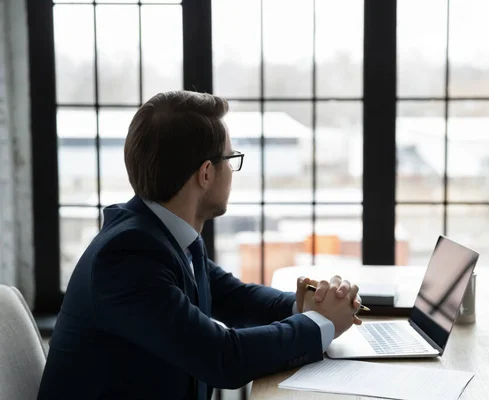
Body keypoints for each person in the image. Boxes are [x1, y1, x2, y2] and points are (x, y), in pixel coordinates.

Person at [37, 91, 363, 400]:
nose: (233, 172)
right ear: (206, 173)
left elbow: (234, 297)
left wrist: (307, 304)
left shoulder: (163, 234)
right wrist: (322, 323)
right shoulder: (127, 256)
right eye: (231, 159)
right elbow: (223, 357)